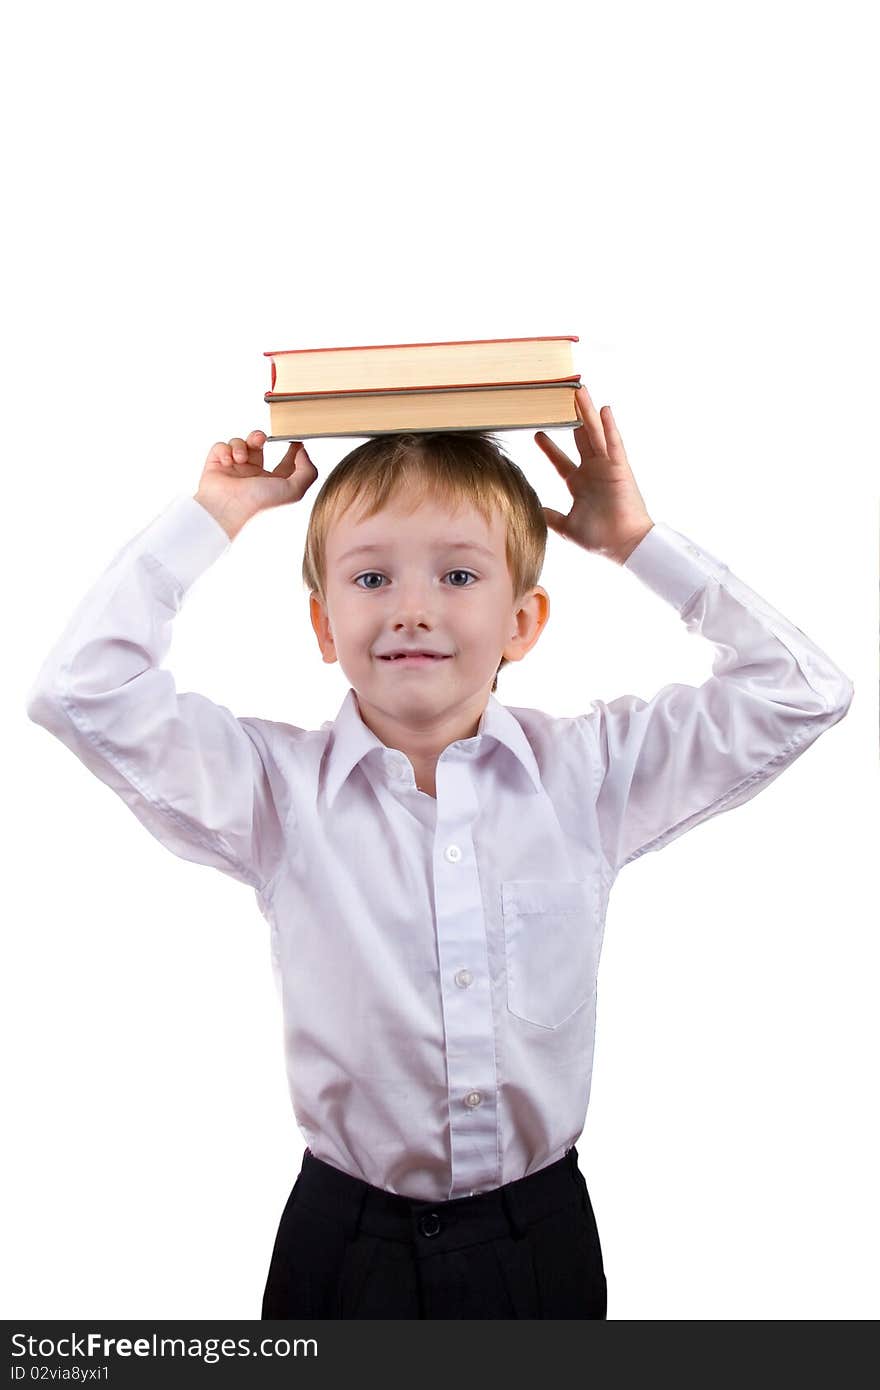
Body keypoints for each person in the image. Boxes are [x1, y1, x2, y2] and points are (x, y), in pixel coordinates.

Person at [25, 384, 853, 1318]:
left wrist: (635, 544)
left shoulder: (586, 777)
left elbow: (801, 692)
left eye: (459, 577)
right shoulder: (275, 793)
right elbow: (82, 692)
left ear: (523, 624)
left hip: (536, 1242)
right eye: (372, 579)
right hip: (345, 1245)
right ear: (324, 626)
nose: (412, 609)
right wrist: (215, 515)